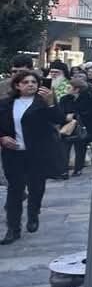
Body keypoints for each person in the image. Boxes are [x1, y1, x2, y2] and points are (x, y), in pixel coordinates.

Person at [0, 71, 68, 244]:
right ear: (17, 85)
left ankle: (33, 213)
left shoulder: (43, 103)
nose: (30, 84)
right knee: (14, 190)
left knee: (36, 187)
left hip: (37, 154)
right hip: (13, 154)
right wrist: (2, 138)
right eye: (26, 82)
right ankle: (13, 229)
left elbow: (60, 119)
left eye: (34, 82)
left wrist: (51, 103)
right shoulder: (6, 104)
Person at [59, 76, 92, 176]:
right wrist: (65, 117)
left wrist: (76, 115)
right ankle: (64, 170)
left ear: (77, 89)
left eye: (69, 87)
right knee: (64, 150)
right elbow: (59, 112)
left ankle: (78, 169)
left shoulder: (89, 98)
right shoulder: (64, 99)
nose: (67, 89)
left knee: (80, 149)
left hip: (82, 127)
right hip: (67, 127)